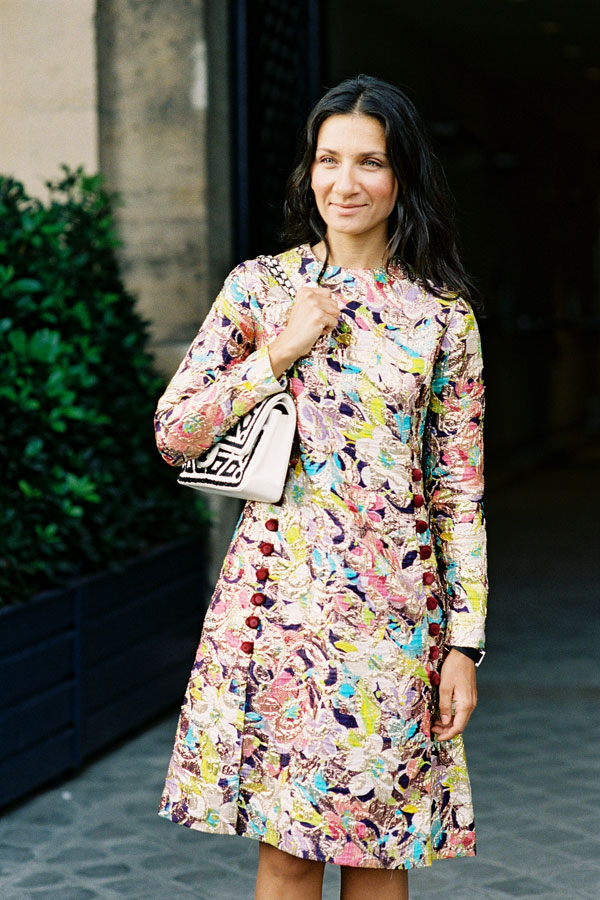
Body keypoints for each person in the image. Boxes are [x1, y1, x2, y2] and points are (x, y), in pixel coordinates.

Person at [154, 74, 487, 900]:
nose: (346, 182)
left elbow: (459, 491)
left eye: (370, 162)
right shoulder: (261, 289)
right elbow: (174, 432)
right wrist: (277, 353)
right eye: (328, 160)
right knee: (288, 855)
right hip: (276, 610)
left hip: (395, 622)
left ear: (402, 175)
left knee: (378, 854)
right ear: (308, 172)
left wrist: (465, 645)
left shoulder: (441, 317)